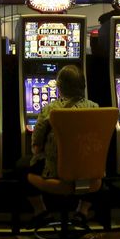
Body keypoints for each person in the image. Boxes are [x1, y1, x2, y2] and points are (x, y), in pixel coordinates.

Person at [26, 65, 99, 228]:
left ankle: (41, 211)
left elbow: (36, 147)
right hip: (88, 170)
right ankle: (82, 211)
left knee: (21, 167)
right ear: (83, 85)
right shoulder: (95, 108)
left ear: (58, 87)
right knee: (96, 164)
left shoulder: (50, 109)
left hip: (56, 170)